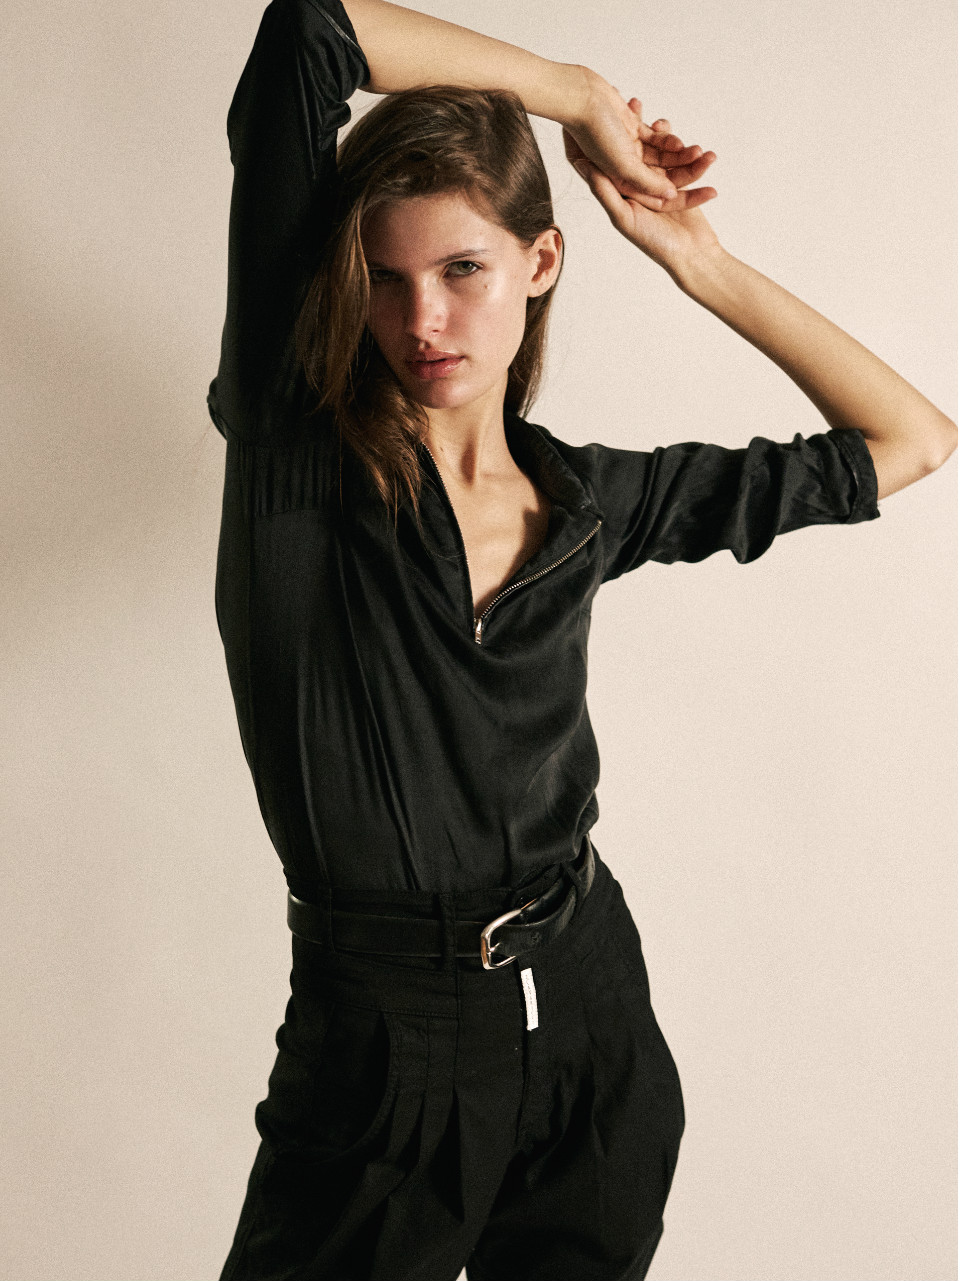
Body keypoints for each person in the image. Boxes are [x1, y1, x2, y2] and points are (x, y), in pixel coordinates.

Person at [206, 0, 956, 1277]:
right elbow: (307, 35)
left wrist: (696, 259)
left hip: (590, 1005)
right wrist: (575, 93)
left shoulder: (591, 503)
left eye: (463, 270)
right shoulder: (297, 452)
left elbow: (911, 440)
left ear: (540, 262)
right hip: (381, 1040)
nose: (424, 320)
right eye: (386, 278)